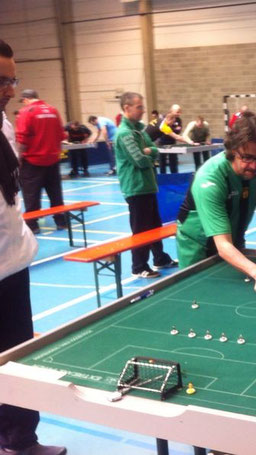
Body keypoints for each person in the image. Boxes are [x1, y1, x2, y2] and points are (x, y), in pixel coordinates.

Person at [0, 38, 67, 455]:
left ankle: (22, 440)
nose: (8, 88)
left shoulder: (4, 124)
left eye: (11, 78)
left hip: (13, 265)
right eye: (0, 79)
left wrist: (23, 240)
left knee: (19, 358)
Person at [176, 114, 256, 293]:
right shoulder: (210, 179)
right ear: (232, 150)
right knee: (202, 298)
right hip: (199, 250)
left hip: (234, 243)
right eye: (247, 157)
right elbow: (222, 245)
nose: (254, 166)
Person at [114, 92, 178, 278]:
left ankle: (160, 258)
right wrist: (150, 154)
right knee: (141, 229)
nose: (143, 111)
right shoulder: (125, 134)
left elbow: (155, 151)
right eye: (139, 107)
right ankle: (139, 266)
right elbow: (140, 161)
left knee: (155, 225)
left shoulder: (140, 130)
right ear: (127, 108)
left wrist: (150, 151)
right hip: (135, 187)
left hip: (148, 185)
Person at [16, 89, 66, 234]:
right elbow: (61, 135)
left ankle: (33, 225)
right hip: (52, 160)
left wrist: (19, 159)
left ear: (25, 99)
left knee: (31, 195)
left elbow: (22, 138)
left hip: (33, 161)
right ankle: (60, 221)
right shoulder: (53, 110)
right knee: (56, 193)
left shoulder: (26, 111)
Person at [158, 104, 186, 174]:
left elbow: (178, 131)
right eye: (177, 112)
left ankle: (174, 176)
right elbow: (165, 130)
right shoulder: (164, 118)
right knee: (162, 162)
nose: (178, 113)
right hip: (162, 142)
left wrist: (172, 130)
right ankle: (162, 177)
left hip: (172, 143)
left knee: (173, 161)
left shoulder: (179, 120)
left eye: (179, 112)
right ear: (171, 111)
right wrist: (173, 130)